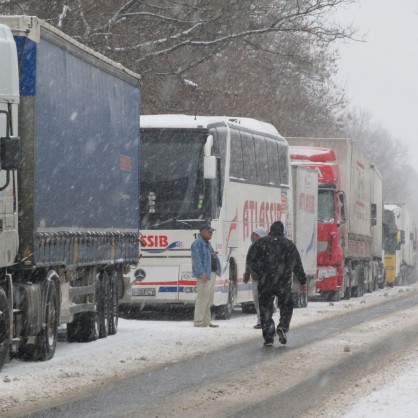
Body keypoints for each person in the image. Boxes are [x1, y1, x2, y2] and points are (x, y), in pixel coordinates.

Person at [247, 220, 307, 347]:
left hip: (264, 282)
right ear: (282, 231)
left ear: (270, 229)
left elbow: (250, 259)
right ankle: (283, 327)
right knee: (286, 306)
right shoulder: (288, 245)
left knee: (265, 308)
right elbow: (297, 264)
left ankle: (268, 336)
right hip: (283, 282)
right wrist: (302, 280)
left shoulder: (260, 243)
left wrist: (258, 272)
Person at [191, 223, 221, 328]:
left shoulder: (207, 243)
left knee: (208, 298)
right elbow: (197, 260)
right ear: (203, 232)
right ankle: (199, 321)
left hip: (211, 273)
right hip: (205, 275)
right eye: (209, 232)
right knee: (203, 298)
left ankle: (206, 321)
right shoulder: (197, 244)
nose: (211, 234)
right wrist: (201, 273)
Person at [243, 226, 267, 329]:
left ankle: (265, 320)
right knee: (257, 300)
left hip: (266, 280)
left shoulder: (267, 247)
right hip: (256, 279)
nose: (255, 237)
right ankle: (260, 320)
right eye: (254, 235)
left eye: (257, 235)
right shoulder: (252, 247)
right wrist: (246, 276)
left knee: (264, 301)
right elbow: (248, 263)